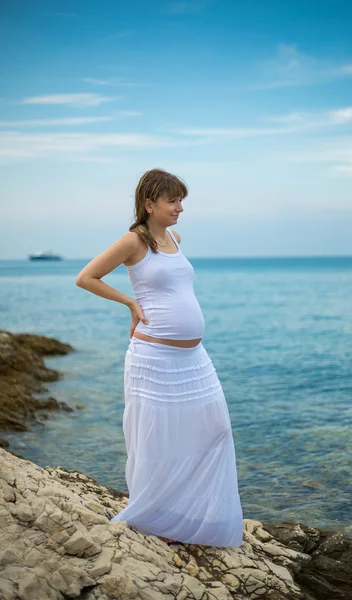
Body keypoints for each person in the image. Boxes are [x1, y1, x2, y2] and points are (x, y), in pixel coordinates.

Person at [76, 168, 243, 547]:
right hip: (154, 357)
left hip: (194, 359)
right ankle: (157, 517)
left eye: (182, 200)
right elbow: (87, 277)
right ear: (149, 204)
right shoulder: (134, 241)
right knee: (157, 439)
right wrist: (130, 303)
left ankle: (190, 516)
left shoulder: (175, 238)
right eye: (173, 201)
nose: (180, 208)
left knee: (213, 427)